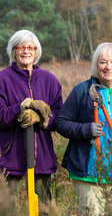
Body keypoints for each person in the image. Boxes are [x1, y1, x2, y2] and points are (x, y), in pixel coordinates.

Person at [55, 42, 112, 215]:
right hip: (87, 173)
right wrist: (86, 129)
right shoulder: (82, 91)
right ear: (95, 65)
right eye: (103, 62)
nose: (108, 67)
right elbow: (60, 123)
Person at [0, 30, 63, 215]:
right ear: (13, 50)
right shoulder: (3, 79)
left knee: (44, 210)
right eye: (21, 47)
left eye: (30, 47)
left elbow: (60, 114)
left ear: (36, 51)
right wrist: (19, 109)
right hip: (11, 158)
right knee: (7, 209)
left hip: (42, 158)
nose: (26, 51)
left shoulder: (49, 79)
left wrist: (43, 119)